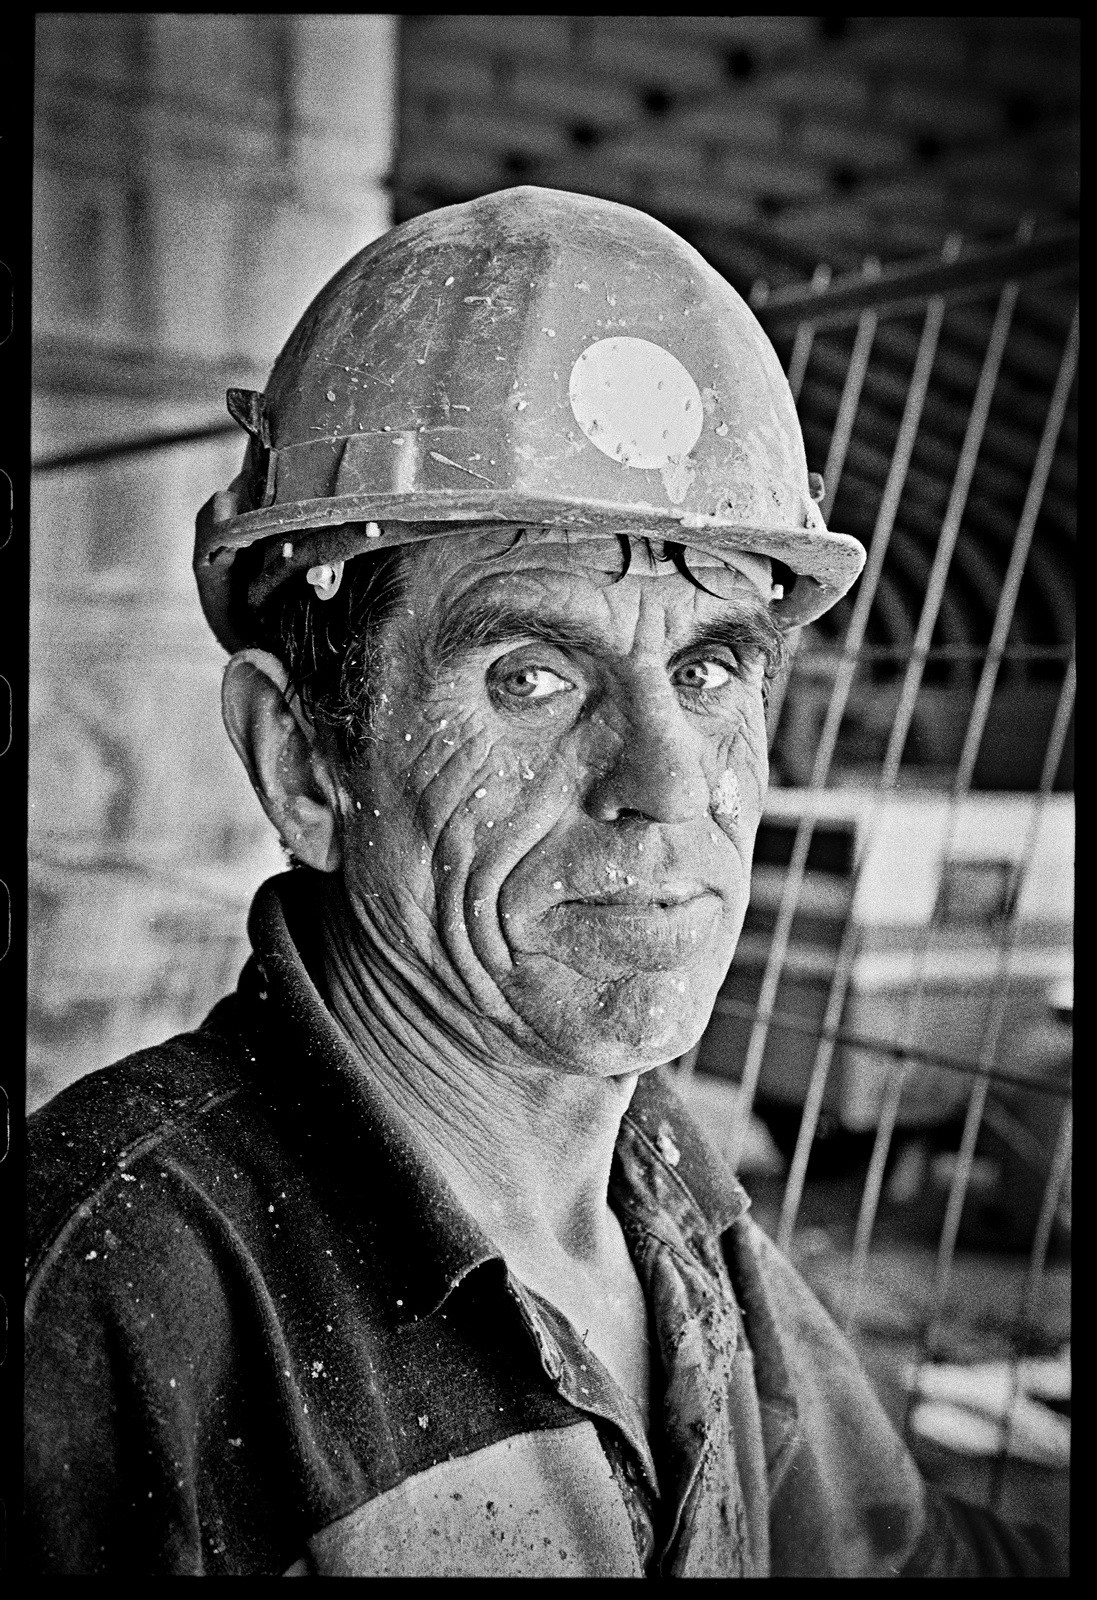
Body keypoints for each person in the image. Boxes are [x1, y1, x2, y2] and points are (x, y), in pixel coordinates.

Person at [24, 187, 1061, 1576]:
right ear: (306, 765)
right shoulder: (110, 1295)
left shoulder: (658, 1179)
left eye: (708, 670)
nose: (665, 779)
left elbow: (901, 1556)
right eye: (531, 675)